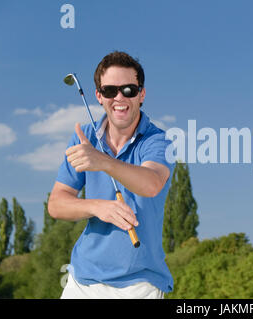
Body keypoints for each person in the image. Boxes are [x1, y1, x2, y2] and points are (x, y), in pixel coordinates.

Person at [48, 51, 174, 299]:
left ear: (141, 94)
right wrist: (97, 207)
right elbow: (56, 204)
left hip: (140, 283)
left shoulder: (158, 140)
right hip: (83, 280)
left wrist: (103, 162)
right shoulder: (84, 137)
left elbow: (152, 184)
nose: (119, 98)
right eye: (109, 91)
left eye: (128, 90)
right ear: (98, 96)